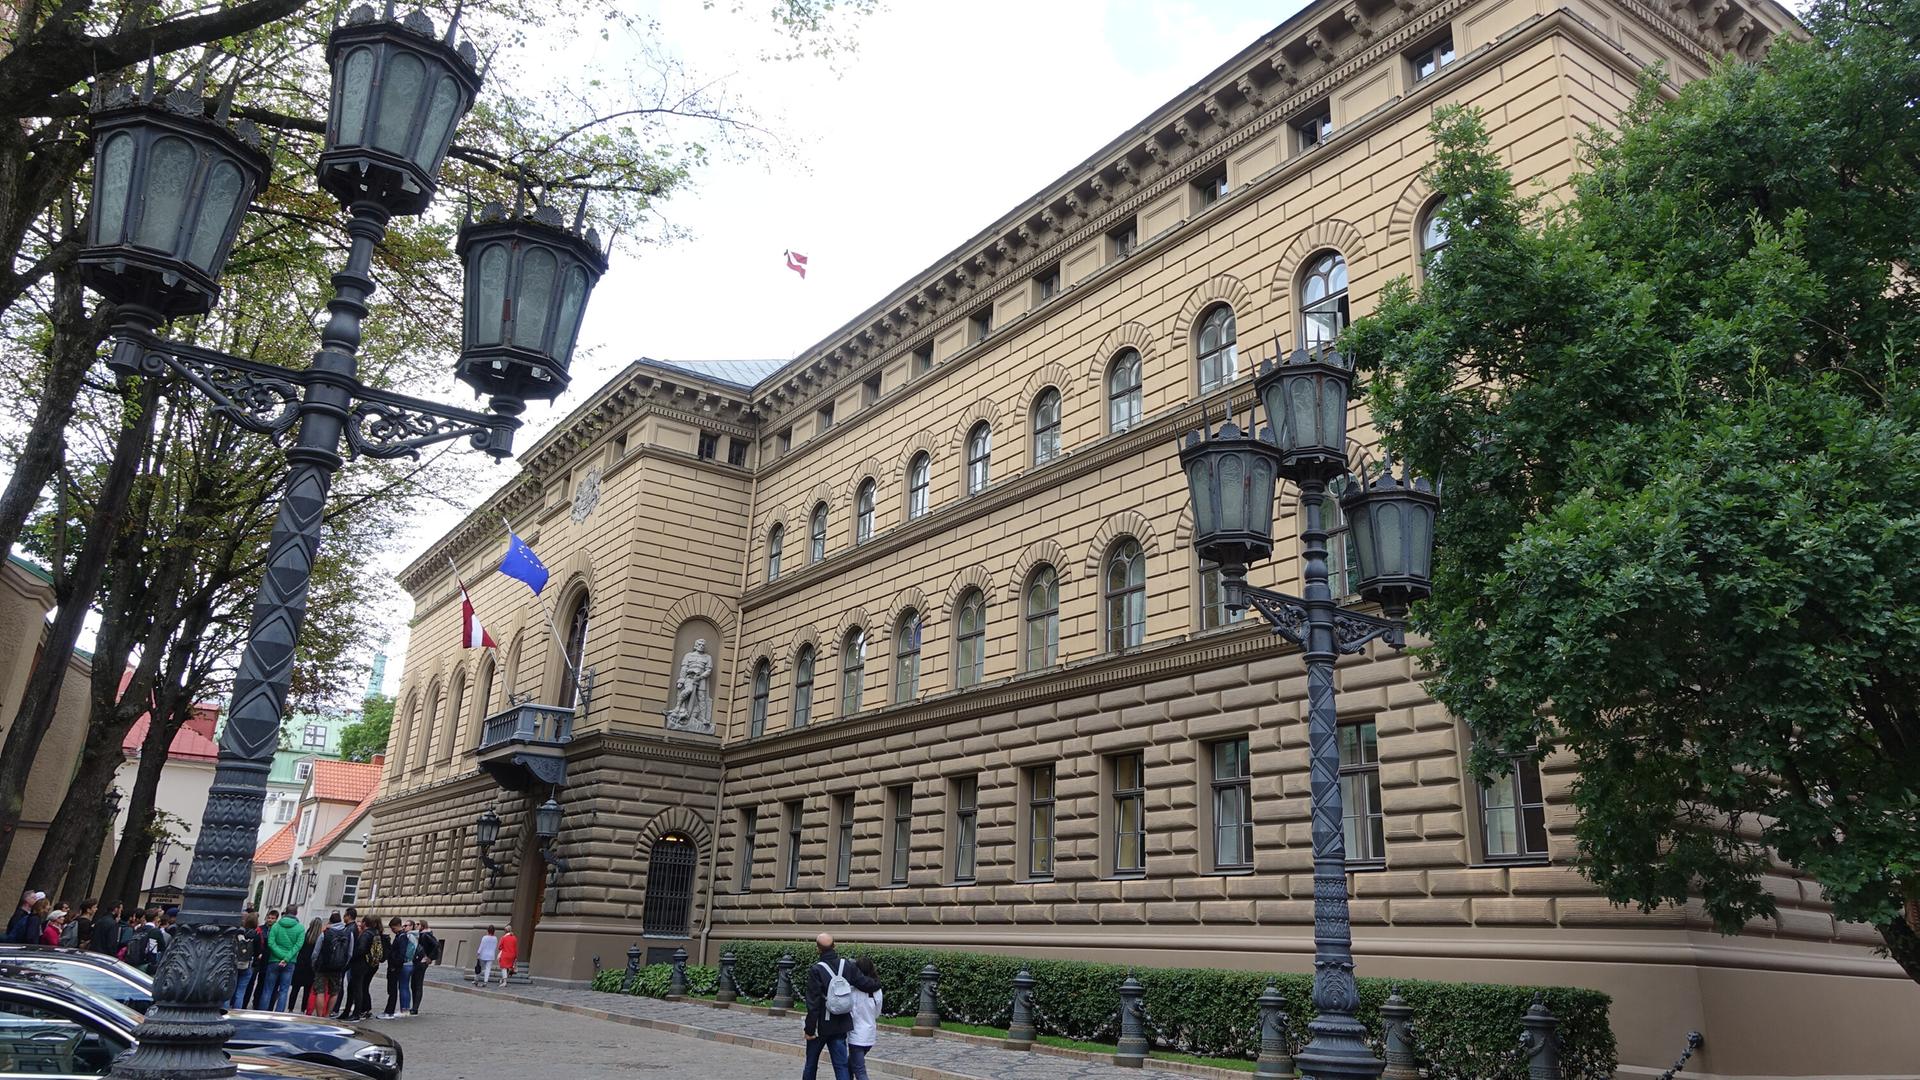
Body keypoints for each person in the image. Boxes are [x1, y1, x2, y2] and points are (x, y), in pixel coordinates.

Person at [802, 933, 882, 1080]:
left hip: (820, 1025)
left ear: (818, 949)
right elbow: (864, 983)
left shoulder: (816, 970)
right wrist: (877, 983)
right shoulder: (847, 965)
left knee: (811, 1064)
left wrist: (809, 1029)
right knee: (841, 1066)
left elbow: (813, 1004)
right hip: (840, 1023)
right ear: (835, 946)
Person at [262, 905, 304, 1010]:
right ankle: (279, 1013)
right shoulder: (300, 928)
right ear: (296, 913)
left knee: (268, 989)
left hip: (274, 960)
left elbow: (271, 943)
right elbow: (298, 945)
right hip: (289, 962)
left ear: (285, 913)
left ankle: (262, 1012)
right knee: (284, 991)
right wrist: (286, 958)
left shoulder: (276, 926)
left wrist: (280, 956)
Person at [846, 956, 881, 1080]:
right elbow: (877, 1013)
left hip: (856, 1035)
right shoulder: (877, 990)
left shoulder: (852, 989)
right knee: (850, 1064)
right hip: (870, 1033)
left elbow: (848, 1010)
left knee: (859, 1070)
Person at [309, 913, 347, 1017]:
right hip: (337, 967)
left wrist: (314, 964)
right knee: (334, 992)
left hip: (323, 966)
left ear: (330, 921)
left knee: (320, 991)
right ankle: (327, 1015)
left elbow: (316, 952)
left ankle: (319, 1016)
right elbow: (349, 952)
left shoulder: (325, 933)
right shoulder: (346, 933)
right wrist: (343, 964)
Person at [343, 913, 379, 1022]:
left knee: (356, 989)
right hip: (368, 965)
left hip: (360, 965)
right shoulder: (375, 933)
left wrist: (352, 957)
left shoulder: (366, 934)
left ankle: (355, 1013)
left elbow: (361, 949)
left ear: (364, 923)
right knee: (356, 987)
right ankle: (349, 1011)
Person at [379, 917, 414, 1018]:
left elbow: (400, 953)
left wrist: (394, 965)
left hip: (396, 966)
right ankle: (394, 1010)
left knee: (395, 989)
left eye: (393, 928)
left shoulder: (402, 937)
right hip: (397, 965)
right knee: (396, 988)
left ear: (398, 926)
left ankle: (392, 1011)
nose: (392, 930)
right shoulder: (401, 936)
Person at [289, 917, 322, 1014]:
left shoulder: (304, 936)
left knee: (295, 988)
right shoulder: (320, 938)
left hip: (300, 964)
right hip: (311, 967)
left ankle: (291, 1008)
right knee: (307, 990)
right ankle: (303, 1009)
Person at [230, 913, 260, 1008]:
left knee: (230, 989)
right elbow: (258, 951)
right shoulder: (256, 935)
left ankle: (226, 1009)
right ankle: (237, 1010)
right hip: (247, 964)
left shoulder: (238, 932)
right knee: (241, 991)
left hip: (235, 962)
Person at [408, 920, 437, 1015]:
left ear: (423, 925)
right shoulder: (419, 934)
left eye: (418, 924)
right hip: (417, 961)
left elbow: (436, 945)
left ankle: (415, 1008)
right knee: (413, 984)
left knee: (417, 984)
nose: (416, 926)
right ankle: (414, 1006)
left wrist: (429, 957)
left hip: (421, 962)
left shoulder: (425, 935)